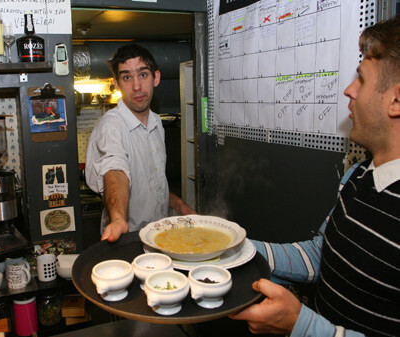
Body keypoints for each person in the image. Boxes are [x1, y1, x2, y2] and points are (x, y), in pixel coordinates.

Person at [228, 15, 400, 337]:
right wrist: (234, 248)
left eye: (361, 79)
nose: (349, 90)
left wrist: (301, 325)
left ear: (396, 100)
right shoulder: (357, 176)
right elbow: (324, 254)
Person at [85, 43, 196, 242]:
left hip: (160, 237)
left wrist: (179, 205)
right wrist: (118, 219)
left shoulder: (156, 123)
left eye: (143, 75)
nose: (136, 86)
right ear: (117, 84)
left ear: (156, 78)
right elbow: (115, 169)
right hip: (128, 241)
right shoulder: (112, 126)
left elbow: (151, 183)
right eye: (127, 77)